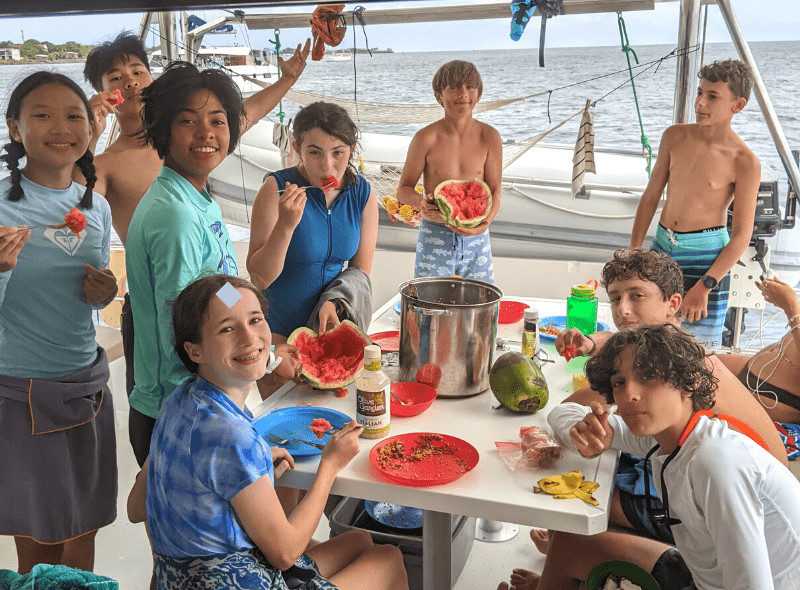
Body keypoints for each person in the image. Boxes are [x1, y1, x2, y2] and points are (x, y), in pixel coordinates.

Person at [507, 249, 788, 586]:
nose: (630, 395)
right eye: (619, 383)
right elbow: (567, 408)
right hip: (704, 557)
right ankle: (562, 569)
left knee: (577, 502)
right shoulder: (663, 426)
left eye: (636, 296)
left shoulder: (716, 461)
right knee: (569, 535)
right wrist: (584, 429)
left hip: (737, 543)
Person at [78, 32, 309, 408]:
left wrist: (257, 337)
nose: (131, 82)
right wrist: (86, 134)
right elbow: (74, 205)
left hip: (203, 356)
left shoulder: (195, 188)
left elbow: (213, 281)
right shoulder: (158, 198)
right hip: (182, 387)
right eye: (116, 78)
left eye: (138, 70)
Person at [143, 273, 409, 590]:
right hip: (239, 581)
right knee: (387, 560)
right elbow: (284, 553)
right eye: (226, 328)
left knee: (360, 540)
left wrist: (242, 470)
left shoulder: (180, 401)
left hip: (181, 581)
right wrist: (330, 465)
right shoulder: (233, 436)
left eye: (255, 320)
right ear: (194, 351)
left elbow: (136, 507)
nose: (249, 337)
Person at [124, 61, 298, 469]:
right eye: (188, 121)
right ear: (163, 130)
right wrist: (266, 357)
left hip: (205, 406)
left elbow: (214, 291)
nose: (206, 134)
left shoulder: (194, 198)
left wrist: (266, 345)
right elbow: (183, 328)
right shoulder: (175, 216)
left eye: (218, 121)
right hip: (181, 414)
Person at [0, 72, 118, 573]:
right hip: (23, 391)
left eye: (74, 115)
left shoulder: (96, 209)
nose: (61, 127)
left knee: (84, 529)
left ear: (91, 129)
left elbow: (89, 299)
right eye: (41, 115)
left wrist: (105, 291)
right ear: (14, 128)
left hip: (86, 383)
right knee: (41, 542)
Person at [630, 59, 760, 349]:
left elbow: (741, 235)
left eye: (712, 96)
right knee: (648, 338)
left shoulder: (745, 161)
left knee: (695, 352)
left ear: (737, 106)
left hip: (706, 262)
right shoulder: (674, 136)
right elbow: (651, 197)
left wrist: (706, 285)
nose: (700, 102)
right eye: (700, 93)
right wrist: (635, 250)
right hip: (662, 250)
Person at [247, 101, 378, 359]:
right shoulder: (276, 189)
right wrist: (286, 226)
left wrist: (336, 302)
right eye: (315, 153)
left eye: (338, 153)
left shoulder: (363, 194)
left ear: (351, 150)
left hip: (330, 332)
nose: (327, 167)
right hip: (278, 337)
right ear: (297, 149)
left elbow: (359, 272)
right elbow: (260, 279)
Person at [396, 59, 502, 283]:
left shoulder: (490, 137)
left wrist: (485, 222)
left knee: (481, 302)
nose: (463, 93)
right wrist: (421, 204)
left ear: (478, 94)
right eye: (453, 87)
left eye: (469, 87)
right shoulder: (425, 138)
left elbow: (495, 192)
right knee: (429, 302)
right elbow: (403, 190)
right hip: (434, 233)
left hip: (477, 239)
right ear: (439, 96)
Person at [717, 273, 800, 425]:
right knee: (691, 361)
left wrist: (791, 307)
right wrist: (782, 299)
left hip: (775, 398)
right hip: (752, 368)